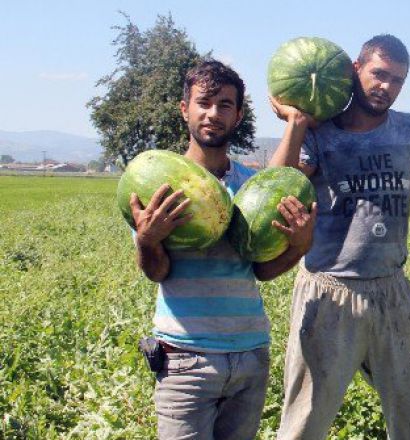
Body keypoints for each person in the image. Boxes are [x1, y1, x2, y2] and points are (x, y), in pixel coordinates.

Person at [267, 34, 410, 439]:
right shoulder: (320, 133)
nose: (386, 87)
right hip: (329, 292)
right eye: (378, 74)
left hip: (392, 292)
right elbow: (277, 189)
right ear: (354, 70)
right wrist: (296, 123)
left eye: (397, 80)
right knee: (305, 422)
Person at [128, 60, 314, 439]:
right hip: (185, 358)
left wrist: (299, 246)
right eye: (204, 102)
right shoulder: (160, 185)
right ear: (185, 109)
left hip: (250, 355)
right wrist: (148, 239)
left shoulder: (253, 187)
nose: (214, 113)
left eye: (225, 104)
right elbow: (156, 271)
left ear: (238, 114)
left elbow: (260, 269)